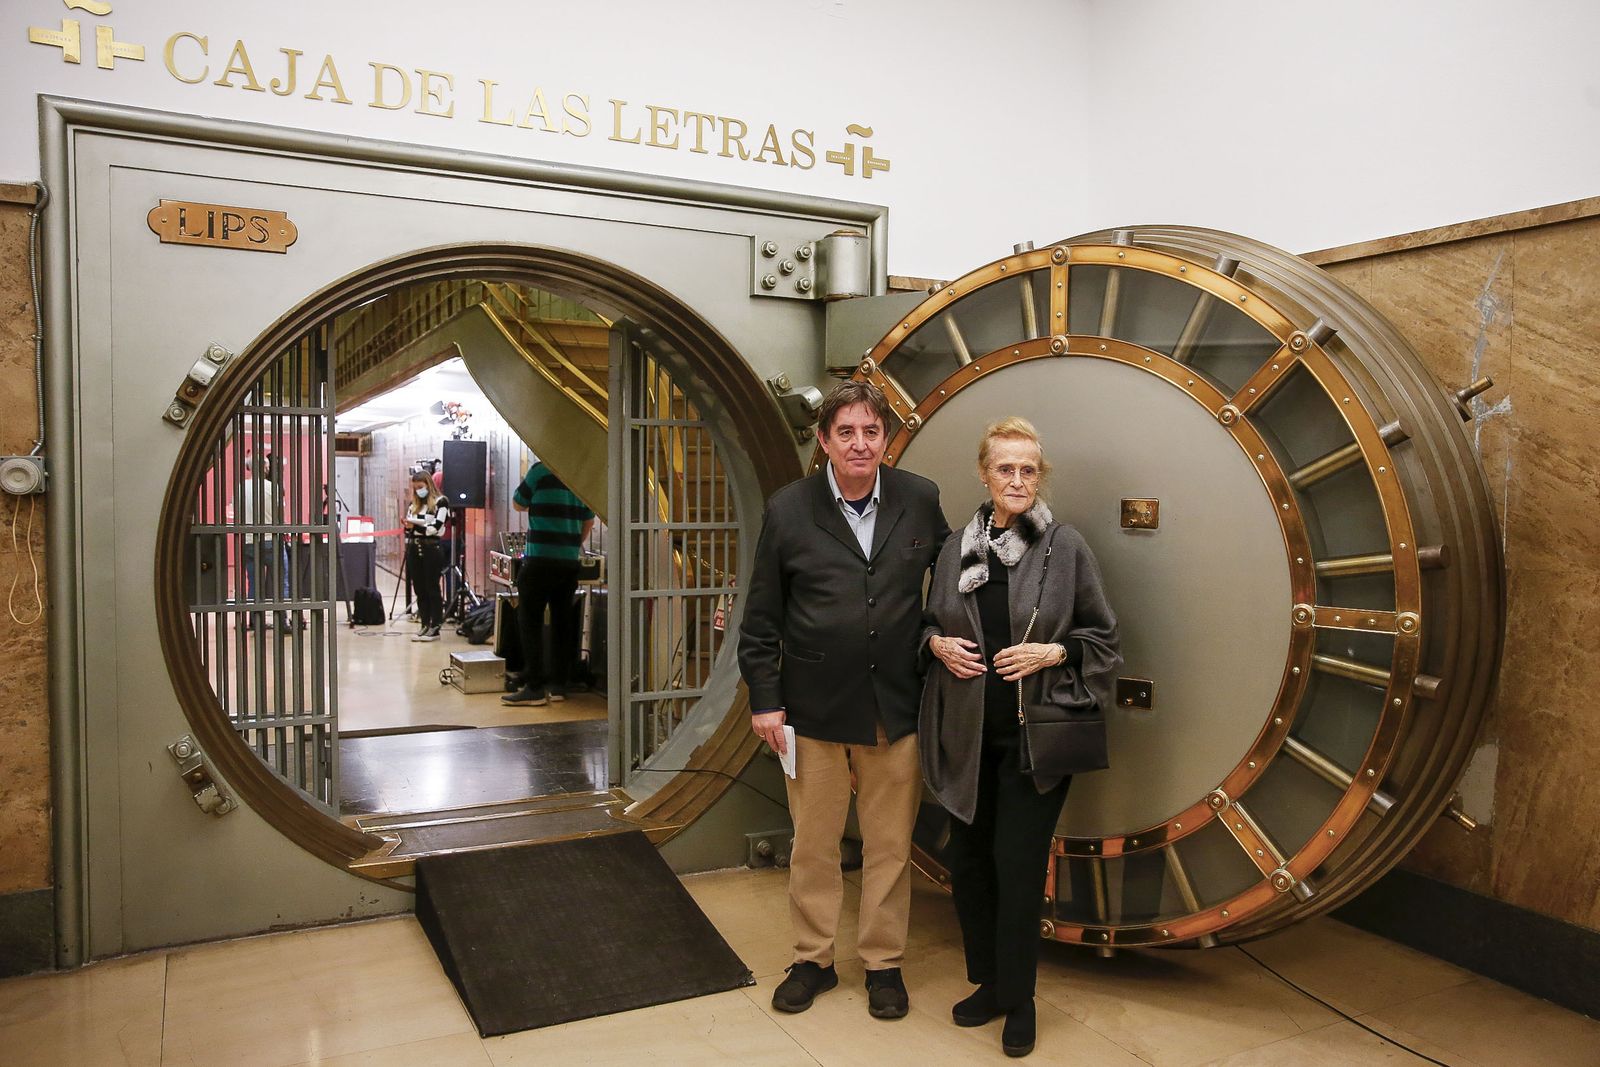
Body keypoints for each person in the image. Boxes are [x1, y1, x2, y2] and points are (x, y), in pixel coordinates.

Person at [738, 380, 950, 1020]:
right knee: (814, 842)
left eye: (872, 432)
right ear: (825, 441)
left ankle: (884, 965)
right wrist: (766, 702)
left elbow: (952, 583)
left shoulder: (919, 498)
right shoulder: (789, 510)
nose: (861, 444)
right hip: (813, 709)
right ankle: (813, 959)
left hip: (896, 706)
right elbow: (762, 618)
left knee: (890, 845)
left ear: (886, 438)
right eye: (847, 433)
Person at [919, 416, 1120, 1058]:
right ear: (984, 474)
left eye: (1028, 469)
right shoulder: (954, 548)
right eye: (1005, 468)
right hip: (968, 738)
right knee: (970, 864)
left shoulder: (1066, 547)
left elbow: (1105, 639)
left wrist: (1051, 653)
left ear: (1040, 476)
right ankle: (989, 983)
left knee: (1017, 865)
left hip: (1037, 747)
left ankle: (1021, 1001)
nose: (1017, 479)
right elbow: (927, 623)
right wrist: (935, 643)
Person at [503, 460, 595, 707]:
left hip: (539, 561)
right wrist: (571, 544)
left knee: (529, 621)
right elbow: (589, 520)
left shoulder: (540, 471)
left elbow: (518, 503)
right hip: (568, 563)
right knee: (562, 622)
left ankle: (533, 686)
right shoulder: (580, 475)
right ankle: (558, 686)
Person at [237, 455, 289, 632]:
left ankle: (255, 620)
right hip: (270, 540)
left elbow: (237, 513)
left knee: (254, 582)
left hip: (249, 541)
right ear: (265, 468)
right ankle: (282, 621)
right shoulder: (272, 488)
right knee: (280, 581)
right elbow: (280, 514)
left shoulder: (241, 488)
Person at [403, 470, 450, 641]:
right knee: (419, 588)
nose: (418, 491)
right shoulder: (413, 505)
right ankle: (424, 623)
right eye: (415, 488)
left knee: (432, 587)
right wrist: (413, 527)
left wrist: (417, 526)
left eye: (420, 487)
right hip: (415, 548)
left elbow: (436, 528)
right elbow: (410, 526)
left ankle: (435, 625)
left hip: (432, 549)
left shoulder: (441, 502)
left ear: (428, 485)